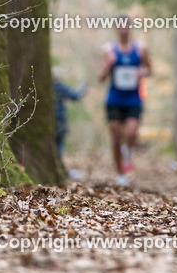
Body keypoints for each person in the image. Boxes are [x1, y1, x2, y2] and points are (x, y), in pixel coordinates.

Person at [99, 15, 152, 185]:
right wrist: (108, 66)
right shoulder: (109, 50)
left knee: (131, 132)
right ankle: (120, 173)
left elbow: (150, 70)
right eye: (120, 27)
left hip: (133, 98)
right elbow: (100, 77)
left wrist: (142, 73)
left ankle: (128, 151)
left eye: (126, 27)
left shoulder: (140, 49)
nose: (123, 30)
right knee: (115, 137)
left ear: (130, 28)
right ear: (116, 29)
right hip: (114, 98)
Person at [52, 68, 87, 158]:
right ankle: (59, 159)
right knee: (59, 142)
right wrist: (83, 89)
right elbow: (76, 96)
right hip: (59, 118)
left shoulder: (48, 87)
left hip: (49, 119)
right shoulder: (61, 87)